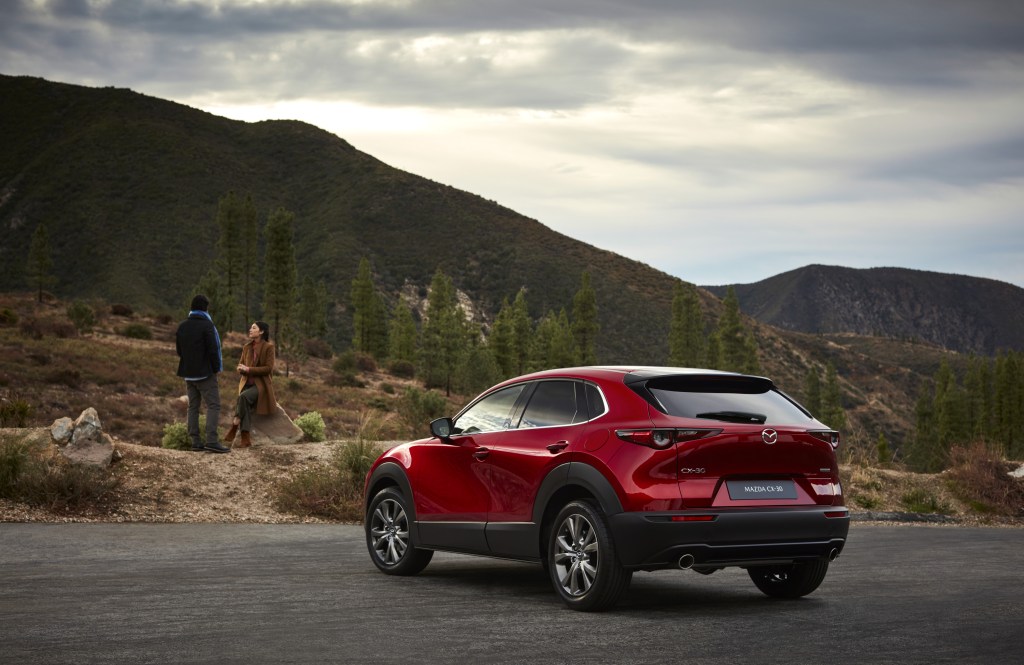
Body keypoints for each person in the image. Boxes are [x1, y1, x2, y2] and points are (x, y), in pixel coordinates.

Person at [175, 294, 230, 453]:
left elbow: (180, 350)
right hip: (205, 373)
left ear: (192, 307)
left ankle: (195, 441)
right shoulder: (208, 325)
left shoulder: (182, 325)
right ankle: (212, 441)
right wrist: (215, 369)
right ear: (205, 308)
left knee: (193, 406)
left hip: (188, 374)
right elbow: (214, 350)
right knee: (213, 405)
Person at [224, 321, 277, 449]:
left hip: (261, 386)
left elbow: (268, 369)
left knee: (242, 397)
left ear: (261, 331)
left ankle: (236, 423)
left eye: (253, 328)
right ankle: (246, 440)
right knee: (245, 403)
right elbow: (240, 364)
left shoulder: (269, 347)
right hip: (246, 383)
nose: (250, 330)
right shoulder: (247, 347)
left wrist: (249, 369)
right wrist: (241, 368)